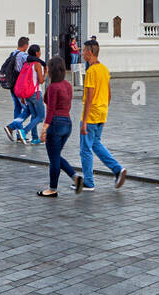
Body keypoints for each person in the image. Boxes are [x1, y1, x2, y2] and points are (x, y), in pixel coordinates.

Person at [78, 39, 128, 190]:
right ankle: (117, 169)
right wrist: (104, 109)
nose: (82, 53)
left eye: (84, 50)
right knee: (96, 144)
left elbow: (89, 97)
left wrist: (85, 121)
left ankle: (88, 182)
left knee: (85, 149)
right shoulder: (104, 69)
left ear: (90, 52)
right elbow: (109, 94)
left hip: (91, 114)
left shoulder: (91, 71)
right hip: (102, 112)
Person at [37, 56, 83, 196]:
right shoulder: (67, 85)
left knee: (54, 158)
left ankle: (52, 189)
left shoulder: (53, 87)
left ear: (51, 71)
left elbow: (49, 109)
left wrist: (44, 129)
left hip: (55, 124)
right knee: (56, 156)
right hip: (67, 123)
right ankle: (75, 178)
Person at [12, 45, 47, 144]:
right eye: (39, 52)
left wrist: (23, 97)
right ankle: (24, 131)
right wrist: (46, 74)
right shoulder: (37, 64)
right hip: (35, 93)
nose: (40, 53)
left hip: (27, 94)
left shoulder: (26, 64)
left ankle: (35, 138)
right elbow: (41, 80)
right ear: (36, 53)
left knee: (34, 115)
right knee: (40, 116)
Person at [3, 37, 31, 141]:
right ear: (25, 45)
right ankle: (11, 127)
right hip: (20, 86)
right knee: (27, 109)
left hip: (11, 85)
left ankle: (19, 135)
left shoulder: (13, 54)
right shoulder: (23, 55)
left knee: (17, 108)